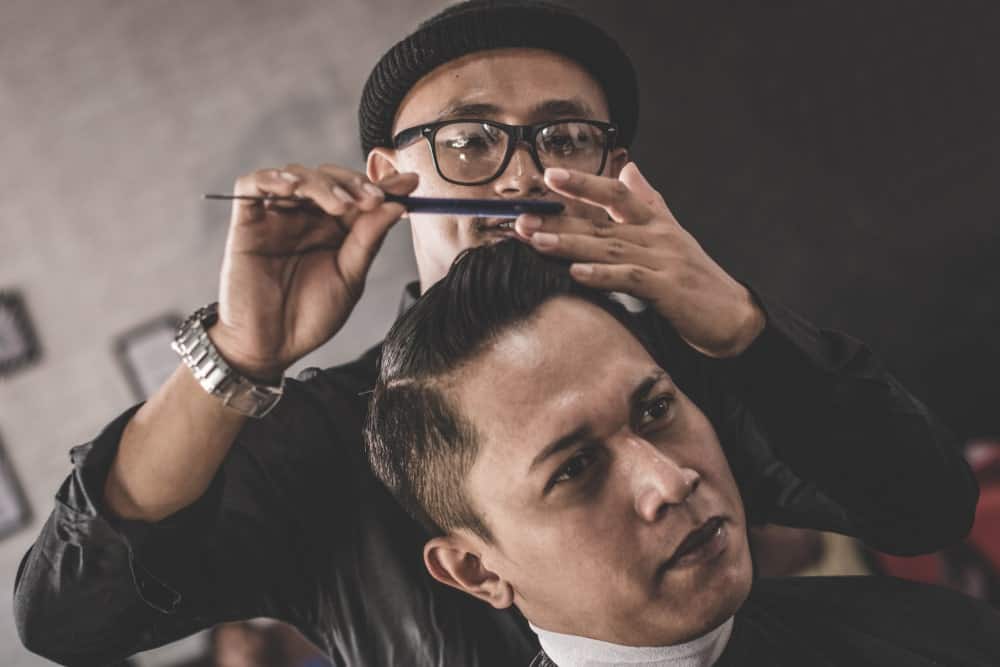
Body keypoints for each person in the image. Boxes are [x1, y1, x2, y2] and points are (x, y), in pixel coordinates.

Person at [13, 1, 977, 665]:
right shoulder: (315, 441)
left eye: (564, 140)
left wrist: (742, 327)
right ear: (388, 174)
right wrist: (236, 354)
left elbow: (923, 507)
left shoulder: (681, 372)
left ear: (616, 169)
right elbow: (68, 612)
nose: (522, 179)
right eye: (471, 140)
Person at [365, 239, 1000, 666]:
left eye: (655, 410)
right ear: (477, 571)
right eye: (576, 468)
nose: (670, 481)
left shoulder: (929, 635)